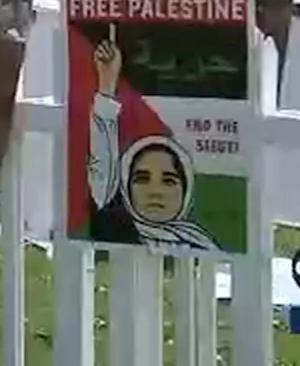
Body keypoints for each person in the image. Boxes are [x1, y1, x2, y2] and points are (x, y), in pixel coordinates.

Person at [87, 37, 219, 250]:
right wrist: (107, 83)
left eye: (168, 181)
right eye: (142, 179)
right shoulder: (119, 230)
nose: (155, 192)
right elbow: (102, 163)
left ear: (185, 189)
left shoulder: (200, 243)